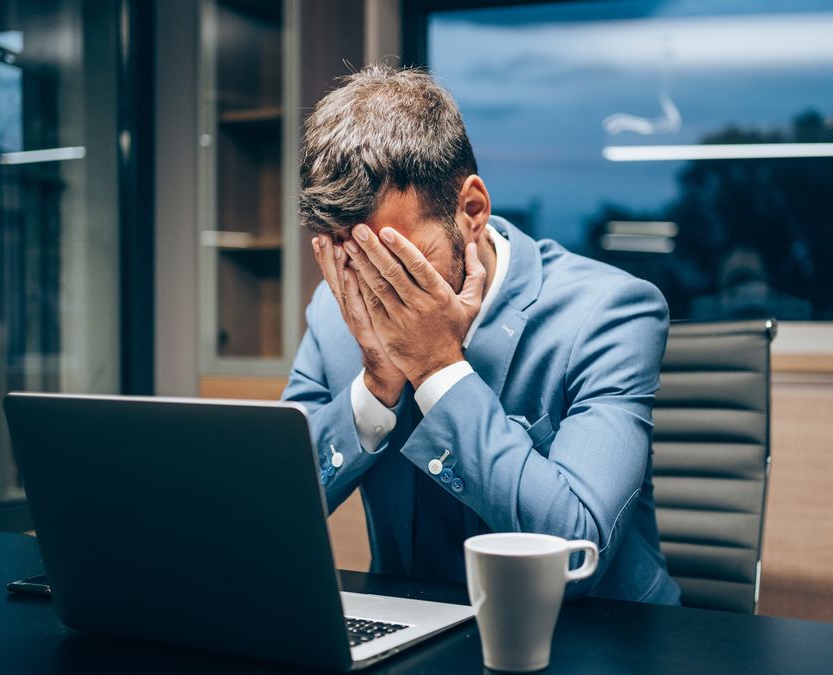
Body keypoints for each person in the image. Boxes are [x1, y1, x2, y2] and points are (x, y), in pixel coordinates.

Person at [282, 64, 680, 605]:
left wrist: (438, 368)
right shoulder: (336, 313)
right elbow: (269, 510)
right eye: (351, 260)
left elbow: (576, 550)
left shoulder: (610, 313)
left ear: (471, 210)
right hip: (415, 629)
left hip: (594, 632)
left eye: (395, 260)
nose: (373, 290)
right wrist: (374, 387)